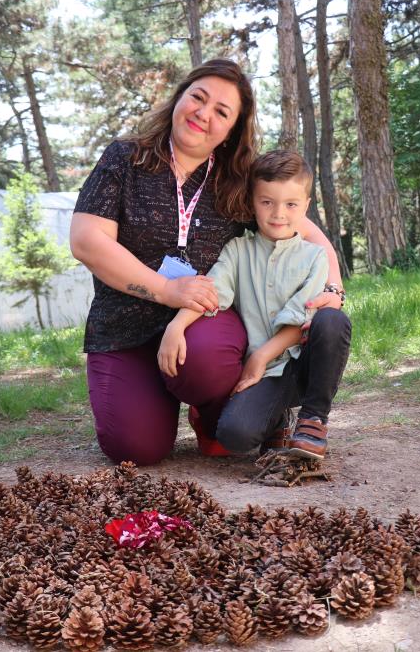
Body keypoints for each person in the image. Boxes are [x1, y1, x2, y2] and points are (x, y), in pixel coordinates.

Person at [70, 58, 344, 466]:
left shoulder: (237, 178)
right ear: (179, 97)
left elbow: (306, 230)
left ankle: (210, 410)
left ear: (233, 128)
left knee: (222, 425)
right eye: (198, 98)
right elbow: (87, 241)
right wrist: (166, 289)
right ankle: (150, 394)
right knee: (135, 450)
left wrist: (333, 289)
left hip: (204, 325)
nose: (203, 114)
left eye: (222, 111)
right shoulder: (125, 158)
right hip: (124, 325)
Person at [157, 151, 351, 460]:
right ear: (252, 202)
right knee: (235, 435)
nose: (278, 214)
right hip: (268, 374)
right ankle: (276, 419)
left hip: (305, 364)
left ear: (306, 206)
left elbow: (301, 316)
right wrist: (177, 325)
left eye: (291, 204)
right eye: (267, 202)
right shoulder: (237, 251)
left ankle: (313, 419)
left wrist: (260, 355)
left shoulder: (314, 256)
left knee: (332, 320)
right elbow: (213, 292)